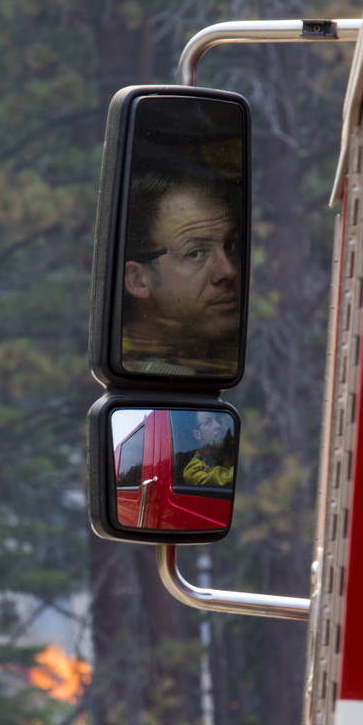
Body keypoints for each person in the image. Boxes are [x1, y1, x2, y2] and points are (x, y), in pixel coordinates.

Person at [121, 168, 241, 378]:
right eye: (195, 254)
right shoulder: (124, 371)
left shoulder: (228, 358)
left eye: (230, 245)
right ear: (138, 280)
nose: (228, 271)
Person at [181, 409, 235, 487]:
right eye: (208, 422)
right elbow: (224, 479)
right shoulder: (192, 471)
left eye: (218, 420)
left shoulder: (231, 446)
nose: (218, 425)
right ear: (197, 434)